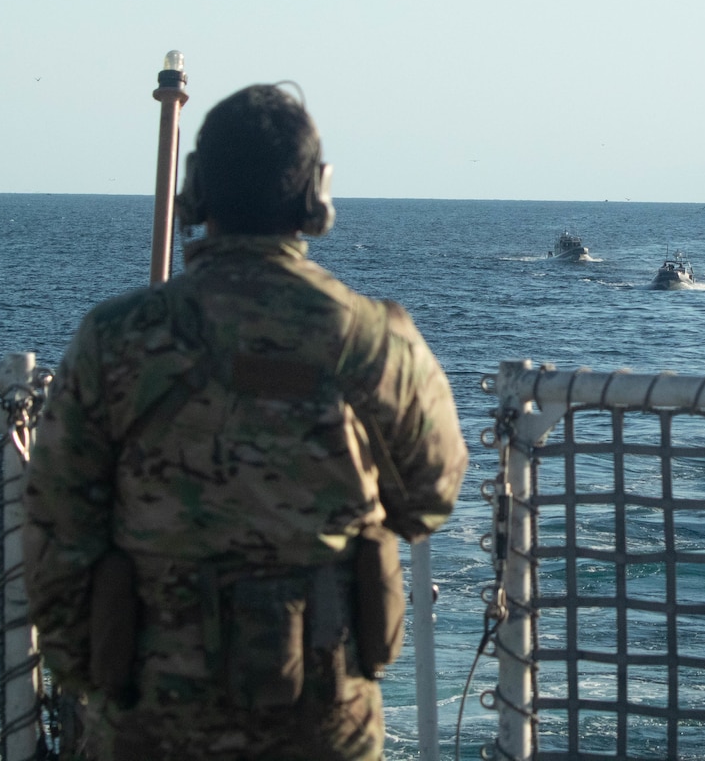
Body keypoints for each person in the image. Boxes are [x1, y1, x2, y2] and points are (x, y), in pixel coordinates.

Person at [24, 84, 469, 760]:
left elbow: (58, 528)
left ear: (196, 189)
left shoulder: (116, 339)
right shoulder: (374, 340)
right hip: (324, 718)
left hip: (150, 719)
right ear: (316, 196)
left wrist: (96, 686)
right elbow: (431, 496)